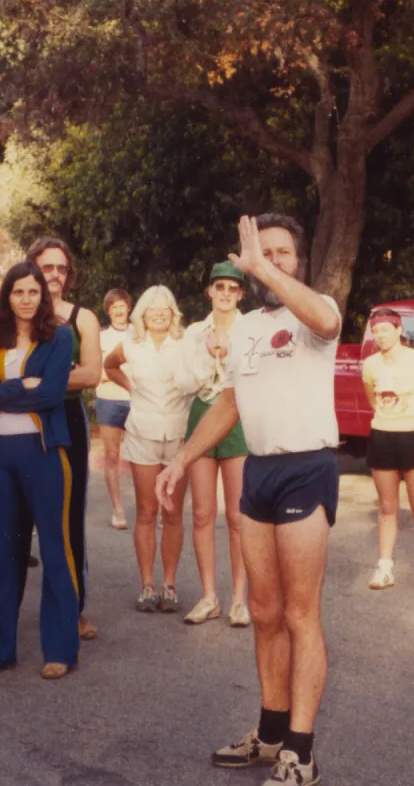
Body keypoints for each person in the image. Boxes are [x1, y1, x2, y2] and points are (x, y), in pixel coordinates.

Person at [158, 214, 341, 786]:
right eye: (262, 254)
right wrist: (183, 458)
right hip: (259, 470)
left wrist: (262, 267)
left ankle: (301, 754)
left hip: (306, 467)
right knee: (263, 613)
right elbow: (230, 403)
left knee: (299, 613)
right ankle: (270, 734)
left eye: (283, 252)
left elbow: (327, 324)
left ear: (298, 260)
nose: (272, 261)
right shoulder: (245, 329)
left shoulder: (317, 308)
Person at [0, 262, 80, 681]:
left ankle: (61, 649)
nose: (26, 299)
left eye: (33, 292)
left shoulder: (60, 336)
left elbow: (49, 393)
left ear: (42, 297)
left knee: (53, 550)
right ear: (6, 297)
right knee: (4, 553)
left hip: (42, 453)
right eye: (18, 292)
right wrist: (17, 386)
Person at [103, 286, 195, 614]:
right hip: (142, 434)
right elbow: (109, 364)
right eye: (152, 309)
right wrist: (130, 388)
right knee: (146, 511)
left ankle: (169, 585)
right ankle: (147, 585)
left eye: (165, 308)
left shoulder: (186, 344)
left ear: (173, 313)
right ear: (142, 314)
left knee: (172, 512)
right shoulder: (130, 344)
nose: (158, 313)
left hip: (179, 437)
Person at [28, 238, 101, 640]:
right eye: (46, 267)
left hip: (66, 418)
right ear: (33, 268)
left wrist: (37, 383)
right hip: (21, 419)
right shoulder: (17, 311)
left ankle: (74, 609)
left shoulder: (82, 318)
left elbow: (91, 375)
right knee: (16, 518)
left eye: (60, 268)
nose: (54, 275)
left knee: (68, 516)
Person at [175, 262, 252, 627]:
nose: (225, 294)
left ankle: (240, 599)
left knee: (237, 516)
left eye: (232, 288)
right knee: (203, 513)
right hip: (203, 413)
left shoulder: (251, 328)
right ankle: (209, 597)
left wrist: (229, 355)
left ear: (240, 293)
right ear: (209, 291)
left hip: (238, 417)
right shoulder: (193, 332)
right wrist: (211, 358)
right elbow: (184, 383)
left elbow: (255, 377)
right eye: (219, 286)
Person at [360, 308, 414, 593]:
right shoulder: (370, 364)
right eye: (376, 331)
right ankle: (385, 568)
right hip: (382, 437)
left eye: (385, 330)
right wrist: (389, 420)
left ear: (398, 329)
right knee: (387, 509)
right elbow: (372, 399)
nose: (380, 336)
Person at [94, 288, 133, 530]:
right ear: (108, 311)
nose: (119, 311)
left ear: (129, 307)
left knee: (146, 456)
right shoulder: (100, 337)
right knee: (111, 455)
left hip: (138, 400)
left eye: (122, 306)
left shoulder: (140, 333)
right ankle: (117, 508)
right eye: (114, 307)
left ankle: (156, 508)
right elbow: (97, 372)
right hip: (109, 400)